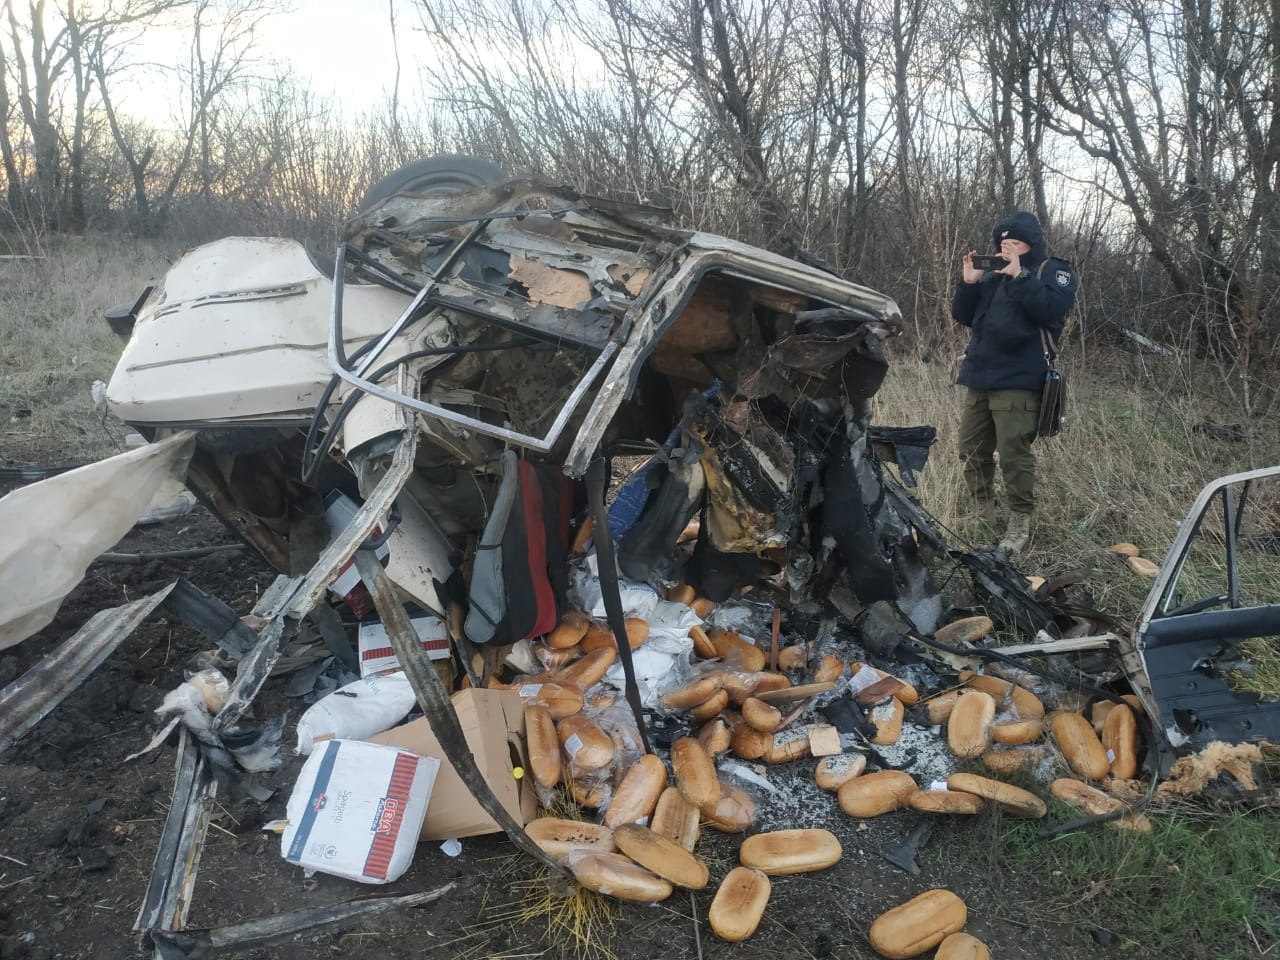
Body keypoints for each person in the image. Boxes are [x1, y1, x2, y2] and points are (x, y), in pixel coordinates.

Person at [952, 211, 1077, 555]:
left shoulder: (1051, 271)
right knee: (971, 448)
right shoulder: (993, 276)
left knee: (1013, 453)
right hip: (980, 373)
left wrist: (1020, 275)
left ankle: (1020, 522)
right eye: (1002, 243)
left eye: (1014, 243)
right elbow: (964, 316)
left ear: (1031, 245)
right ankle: (983, 511)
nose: (1005, 249)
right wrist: (970, 282)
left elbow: (1051, 310)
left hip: (1020, 377)